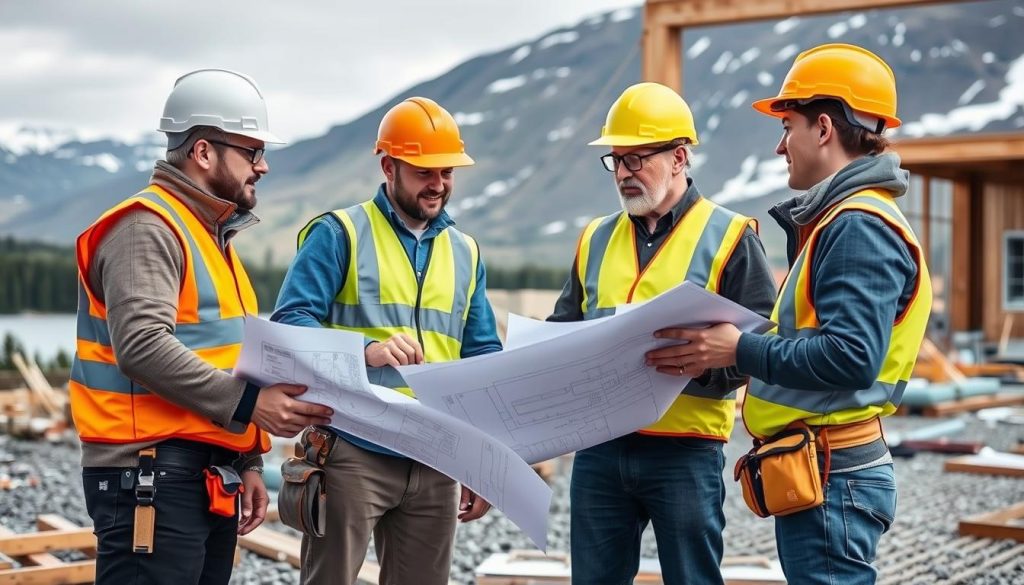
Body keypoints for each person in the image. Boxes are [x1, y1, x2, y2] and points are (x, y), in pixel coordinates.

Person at [651, 44, 932, 584]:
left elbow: (851, 358)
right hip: (825, 468)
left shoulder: (858, 225)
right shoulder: (844, 219)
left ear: (823, 128)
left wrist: (738, 349)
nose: (781, 146)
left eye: (788, 127)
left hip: (833, 475)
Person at [69, 68, 334, 585]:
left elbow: (228, 353)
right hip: (146, 473)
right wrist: (252, 407)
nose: (264, 165)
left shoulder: (208, 236)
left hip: (198, 472)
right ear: (204, 152)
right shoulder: (148, 227)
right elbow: (142, 346)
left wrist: (250, 459)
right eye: (251, 151)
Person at [548, 82, 777, 585]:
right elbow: (562, 330)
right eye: (616, 160)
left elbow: (762, 347)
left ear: (679, 157)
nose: (624, 172)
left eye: (637, 159)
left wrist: (700, 367)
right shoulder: (595, 238)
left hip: (685, 452)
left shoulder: (731, 236)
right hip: (601, 450)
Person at [272, 96, 502, 585]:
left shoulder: (466, 252)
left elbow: (483, 356)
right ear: (389, 166)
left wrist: (487, 461)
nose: (438, 184)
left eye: (447, 172)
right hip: (354, 447)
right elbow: (289, 328)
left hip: (437, 454)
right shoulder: (339, 234)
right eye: (424, 172)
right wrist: (365, 351)